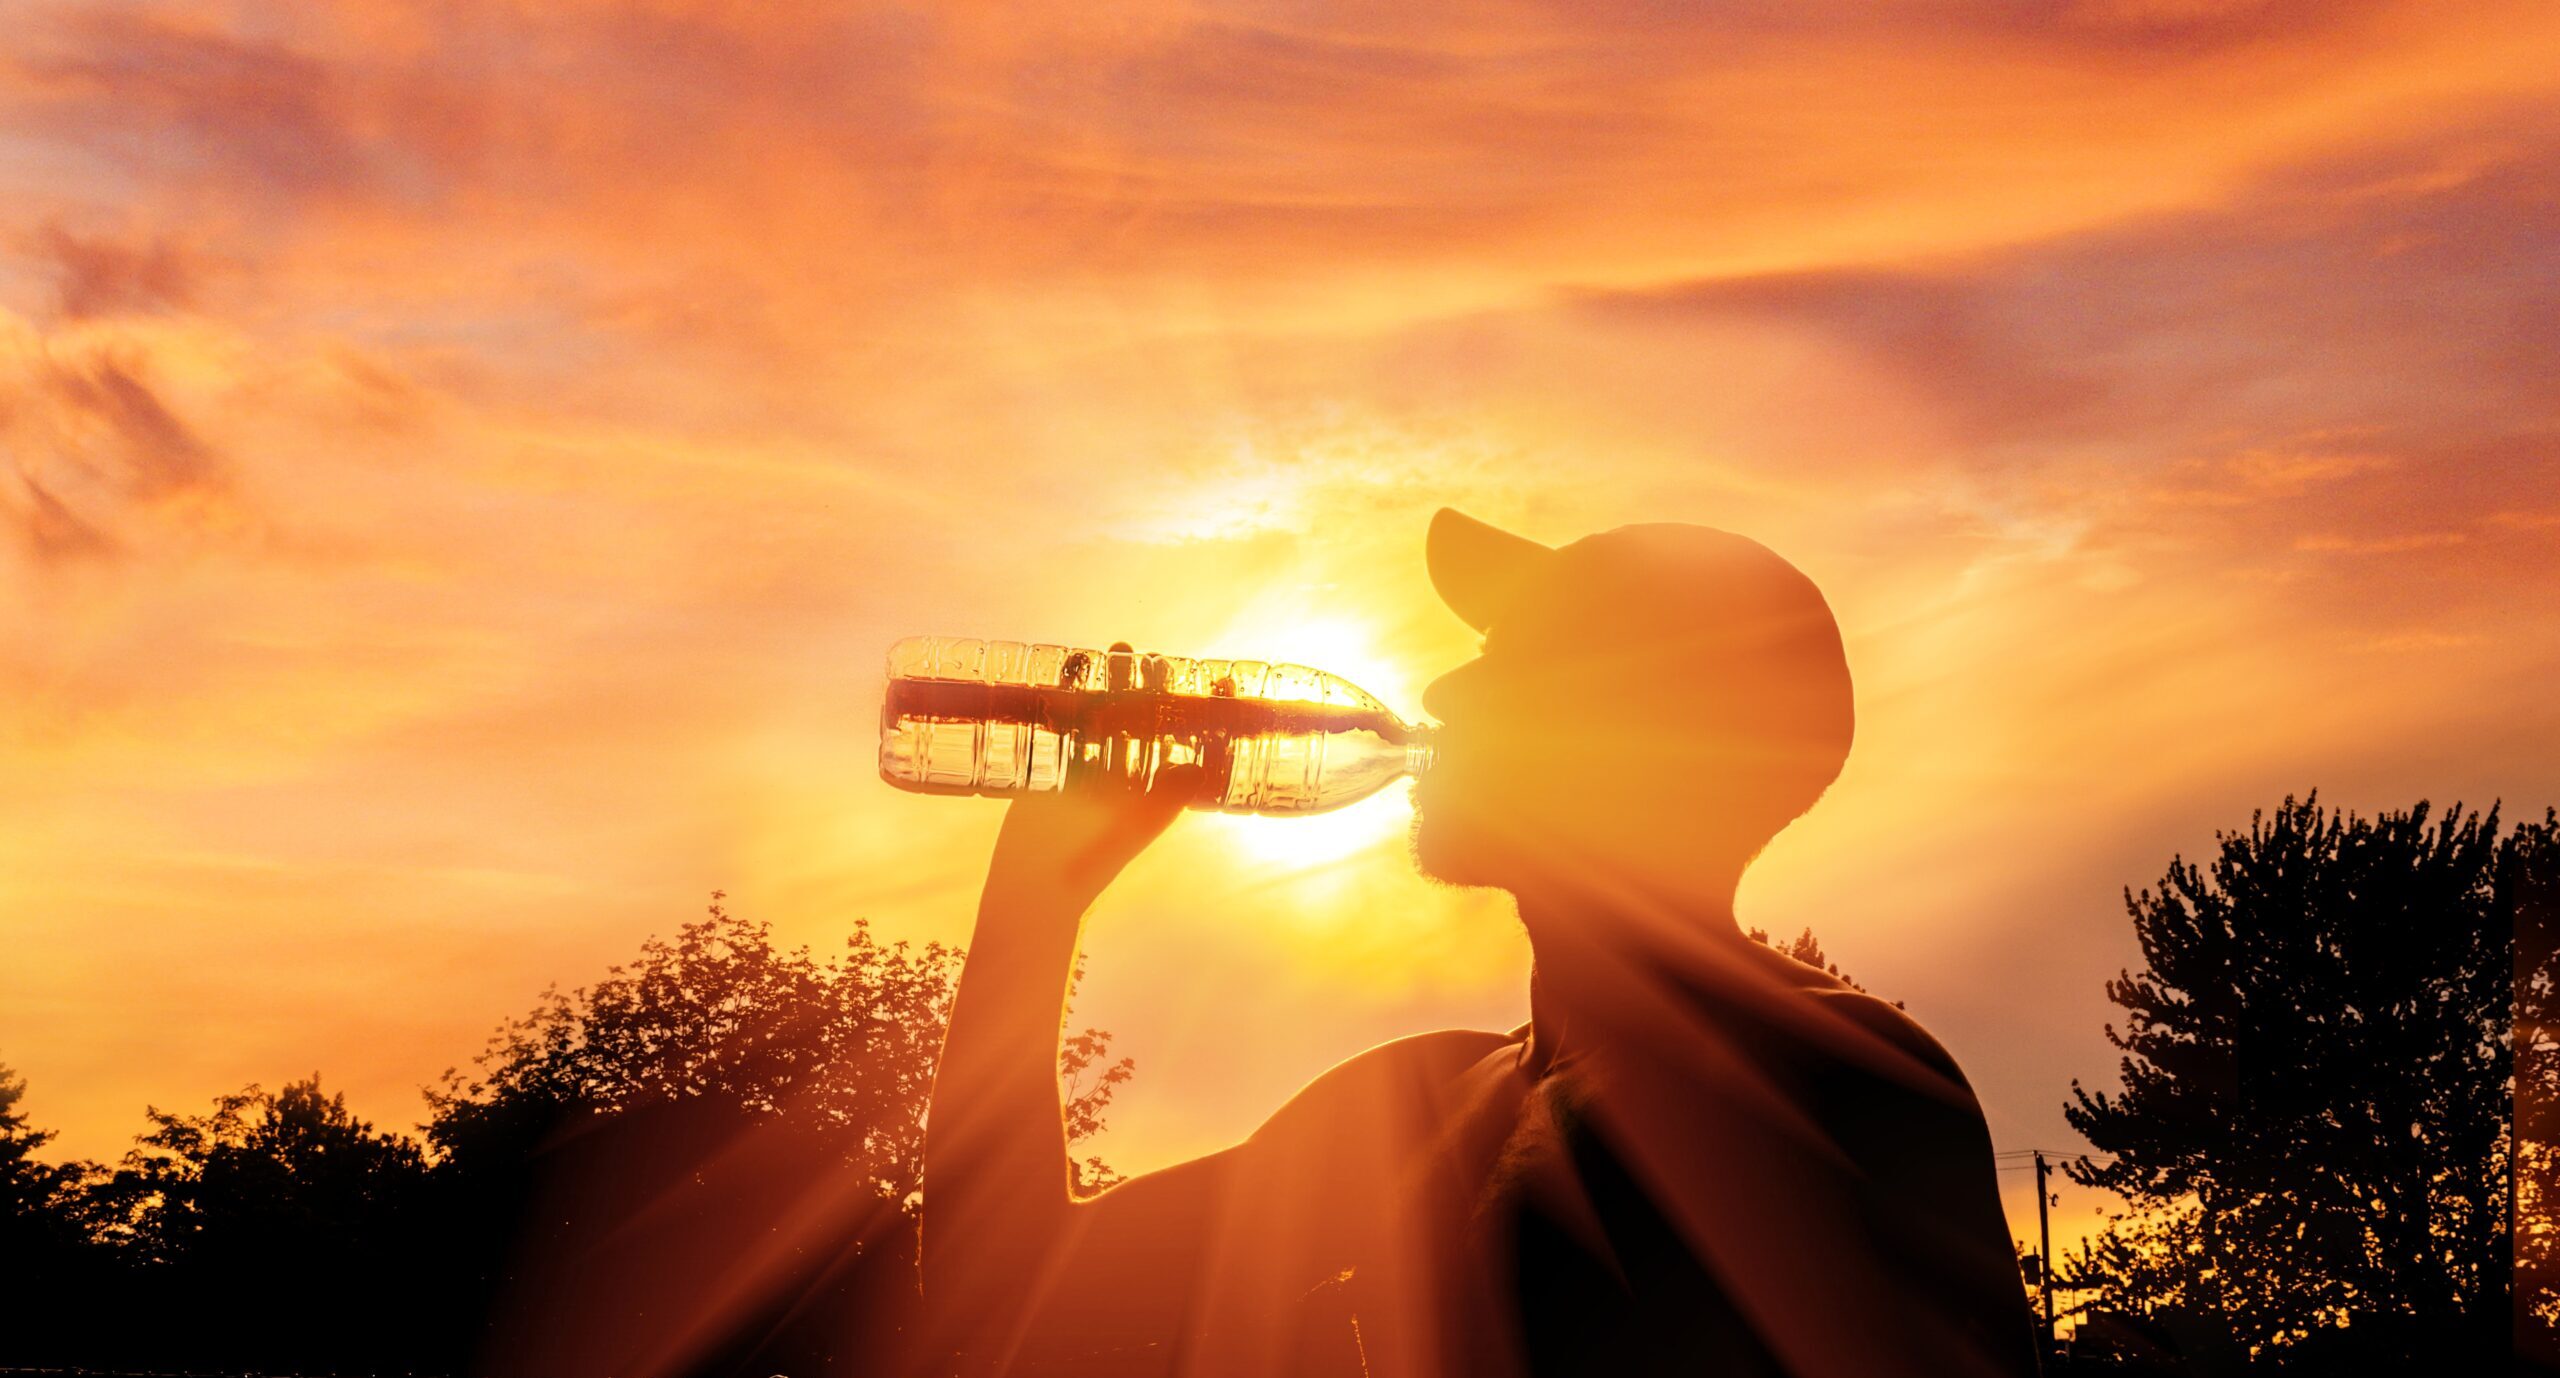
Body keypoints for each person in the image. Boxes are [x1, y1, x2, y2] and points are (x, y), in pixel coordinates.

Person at [914, 509, 2041, 1378]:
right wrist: (1036, 895)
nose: (1445, 686)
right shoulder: (1431, 1099)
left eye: (1521, 656)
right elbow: (1006, 1302)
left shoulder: (1831, 1080)